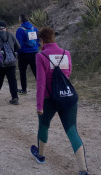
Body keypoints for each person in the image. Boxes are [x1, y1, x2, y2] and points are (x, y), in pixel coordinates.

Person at [31, 27, 89, 175]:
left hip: (48, 99)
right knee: (72, 132)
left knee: (44, 126)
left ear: (41, 40)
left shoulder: (41, 56)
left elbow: (41, 83)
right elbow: (67, 74)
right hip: (67, 97)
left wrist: (39, 105)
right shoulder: (66, 53)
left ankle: (41, 155)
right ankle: (83, 169)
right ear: (54, 38)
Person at [0, 21, 20, 105]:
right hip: (11, 61)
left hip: (0, 62)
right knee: (12, 80)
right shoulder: (10, 34)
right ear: (6, 27)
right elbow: (18, 46)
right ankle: (15, 97)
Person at [15, 14, 39, 94]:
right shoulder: (34, 28)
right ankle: (41, 90)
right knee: (36, 72)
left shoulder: (20, 30)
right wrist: (36, 47)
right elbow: (38, 40)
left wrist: (18, 52)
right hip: (34, 52)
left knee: (23, 72)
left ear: (20, 20)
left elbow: (18, 43)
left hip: (23, 53)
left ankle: (24, 89)